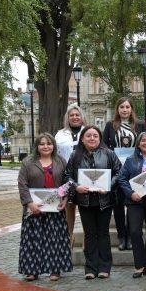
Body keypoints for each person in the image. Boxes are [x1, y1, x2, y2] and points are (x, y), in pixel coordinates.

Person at [63, 126, 121, 279]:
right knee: (89, 234)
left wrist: (108, 186)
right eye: (88, 136)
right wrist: (76, 186)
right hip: (85, 200)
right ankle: (90, 268)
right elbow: (67, 176)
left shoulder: (109, 154)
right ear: (82, 138)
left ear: (100, 138)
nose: (92, 138)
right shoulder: (75, 155)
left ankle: (104, 268)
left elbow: (119, 173)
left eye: (95, 135)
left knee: (103, 233)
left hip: (104, 200)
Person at [17, 134, 72, 281]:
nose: (45, 146)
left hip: (55, 208)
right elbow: (22, 184)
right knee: (33, 240)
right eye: (42, 144)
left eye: (49, 143)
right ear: (37, 146)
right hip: (34, 208)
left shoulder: (60, 161)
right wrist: (30, 203)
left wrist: (65, 200)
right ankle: (32, 270)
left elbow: (67, 182)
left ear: (53, 145)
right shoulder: (28, 162)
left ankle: (55, 269)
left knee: (55, 239)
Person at [117, 132, 146, 278]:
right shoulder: (130, 160)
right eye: (143, 140)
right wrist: (131, 193)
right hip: (134, 201)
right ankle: (139, 264)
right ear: (138, 144)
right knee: (135, 232)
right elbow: (122, 179)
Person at [102, 97, 146, 251]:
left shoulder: (140, 125)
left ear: (131, 109)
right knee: (118, 204)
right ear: (117, 109)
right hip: (116, 170)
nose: (125, 109)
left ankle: (133, 236)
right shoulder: (110, 126)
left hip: (134, 169)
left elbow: (145, 145)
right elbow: (104, 147)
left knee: (134, 204)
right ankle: (122, 236)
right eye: (122, 107)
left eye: (127, 107)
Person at [55, 104, 86, 244]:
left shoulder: (88, 131)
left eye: (77, 115)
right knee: (69, 205)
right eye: (72, 115)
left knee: (86, 206)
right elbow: (55, 154)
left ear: (82, 117)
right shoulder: (60, 134)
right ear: (67, 118)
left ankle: (88, 237)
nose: (74, 117)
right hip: (66, 175)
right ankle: (69, 236)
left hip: (85, 174)